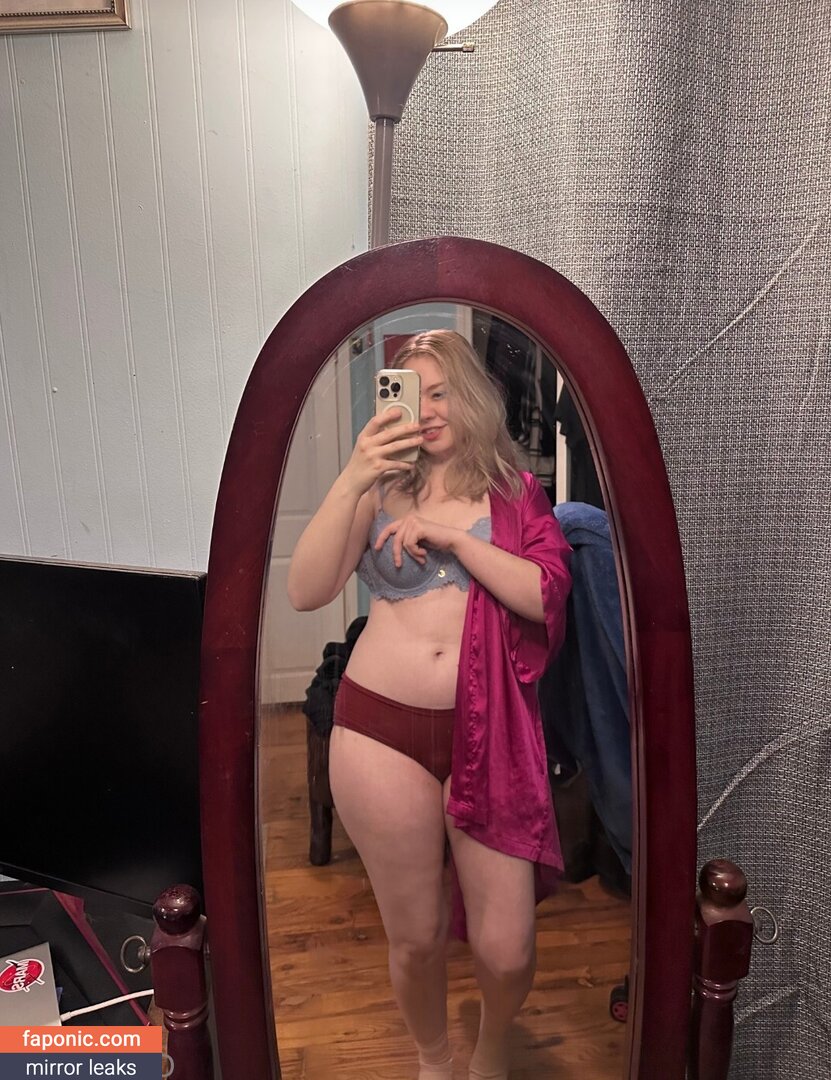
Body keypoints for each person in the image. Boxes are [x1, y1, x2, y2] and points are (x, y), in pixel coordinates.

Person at [287, 329, 572, 1080]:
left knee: (507, 948)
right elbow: (305, 589)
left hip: (492, 735)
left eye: (442, 391)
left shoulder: (514, 493)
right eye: (414, 394)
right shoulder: (377, 490)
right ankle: (434, 1058)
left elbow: (546, 595)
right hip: (378, 733)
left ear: (470, 396)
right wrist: (354, 476)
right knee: (414, 938)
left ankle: (490, 1049)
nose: (430, 409)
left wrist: (455, 539)